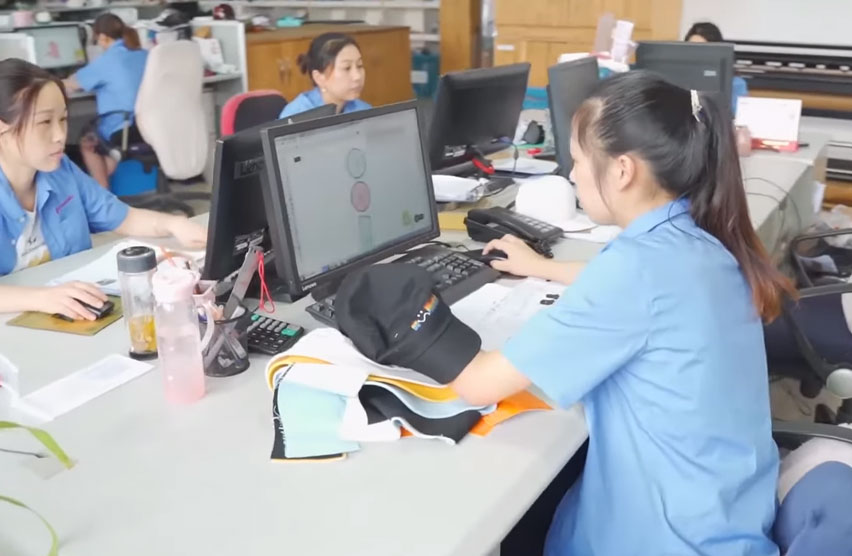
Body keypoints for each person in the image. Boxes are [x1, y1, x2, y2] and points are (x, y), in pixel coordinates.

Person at [343, 72, 793, 555]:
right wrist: (542, 267)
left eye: (577, 161)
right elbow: (633, 289)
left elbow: (478, 383)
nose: (572, 174)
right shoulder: (699, 242)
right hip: (723, 515)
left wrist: (405, 311)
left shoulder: (634, 273)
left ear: (622, 171)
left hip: (663, 536)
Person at [0, 59, 206, 321]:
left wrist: (175, 225)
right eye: (44, 122)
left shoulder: (62, 171)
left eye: (63, 119)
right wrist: (42, 298)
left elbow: (123, 217)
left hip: (74, 313)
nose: (60, 135)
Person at [63, 14, 148, 189]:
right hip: (151, 126)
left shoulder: (107, 61)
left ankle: (104, 198)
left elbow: (72, 84)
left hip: (125, 130)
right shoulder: (145, 54)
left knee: (88, 142)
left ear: (102, 37)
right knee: (104, 143)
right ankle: (109, 171)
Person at [279, 33, 369, 119]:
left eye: (359, 66)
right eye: (347, 68)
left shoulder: (363, 109)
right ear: (319, 78)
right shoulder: (295, 116)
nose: (357, 76)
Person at [685, 21, 749, 113]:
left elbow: (737, 118)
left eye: (703, 48)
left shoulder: (735, 84)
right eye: (692, 48)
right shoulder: (673, 80)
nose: (697, 54)